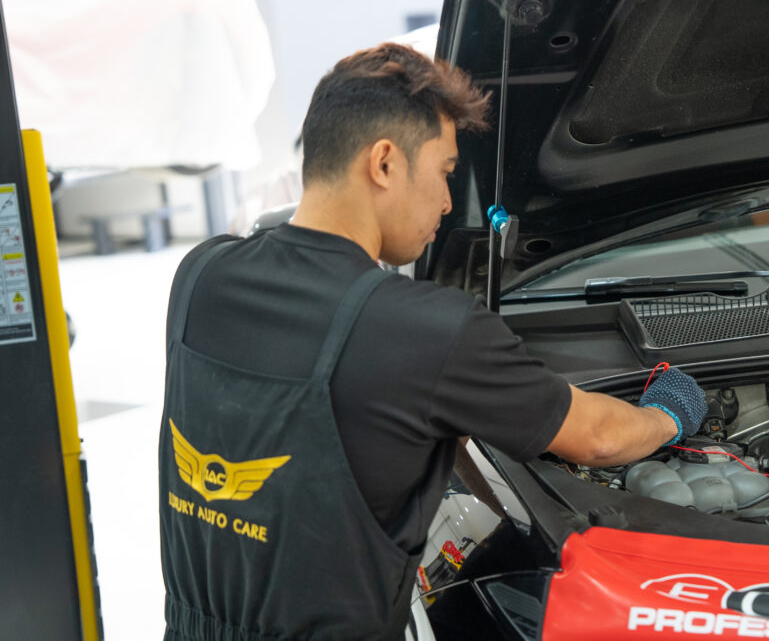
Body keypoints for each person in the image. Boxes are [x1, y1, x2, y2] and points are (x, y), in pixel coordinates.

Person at [157, 42, 705, 641]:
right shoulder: (423, 330)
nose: (448, 202)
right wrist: (668, 415)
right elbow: (597, 438)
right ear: (385, 163)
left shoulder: (201, 274)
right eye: (445, 171)